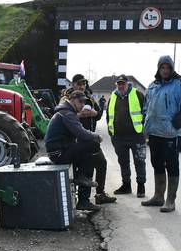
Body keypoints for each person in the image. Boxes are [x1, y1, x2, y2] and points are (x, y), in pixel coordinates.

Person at [141, 56, 181, 212]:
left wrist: (175, 125)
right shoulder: (152, 85)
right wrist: (146, 125)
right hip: (154, 132)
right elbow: (146, 107)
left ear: (171, 69)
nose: (165, 71)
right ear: (158, 68)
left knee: (172, 165)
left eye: (167, 68)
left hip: (170, 134)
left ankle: (170, 200)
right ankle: (158, 196)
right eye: (162, 68)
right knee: (156, 163)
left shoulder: (180, 84)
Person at [60, 74, 116, 204]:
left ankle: (100, 194)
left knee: (101, 162)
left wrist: (94, 113)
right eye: (79, 84)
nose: (81, 86)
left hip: (89, 138)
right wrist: (80, 115)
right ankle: (78, 199)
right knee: (80, 169)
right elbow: (63, 115)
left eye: (84, 84)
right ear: (73, 84)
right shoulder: (66, 98)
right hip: (74, 139)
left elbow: (98, 114)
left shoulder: (89, 97)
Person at [45, 90, 104, 211]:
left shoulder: (66, 111)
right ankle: (82, 186)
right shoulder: (67, 113)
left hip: (60, 150)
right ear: (72, 100)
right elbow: (82, 133)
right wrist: (97, 136)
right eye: (80, 101)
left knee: (89, 154)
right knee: (93, 145)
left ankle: (83, 193)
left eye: (84, 102)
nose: (82, 104)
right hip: (59, 154)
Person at [107, 74, 147, 197]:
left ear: (127, 83)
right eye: (119, 84)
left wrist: (145, 130)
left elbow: (146, 112)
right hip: (119, 137)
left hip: (136, 135)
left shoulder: (138, 94)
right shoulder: (113, 96)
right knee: (123, 162)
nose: (120, 86)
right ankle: (126, 185)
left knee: (139, 161)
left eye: (122, 83)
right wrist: (111, 132)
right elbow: (109, 114)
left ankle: (141, 186)